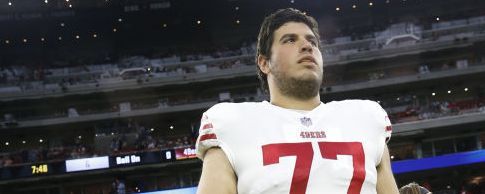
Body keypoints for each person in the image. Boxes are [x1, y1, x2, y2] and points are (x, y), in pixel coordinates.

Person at [196, 8, 399, 194]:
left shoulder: (366, 118)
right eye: (290, 40)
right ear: (264, 63)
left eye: (312, 41)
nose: (306, 46)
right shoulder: (232, 124)